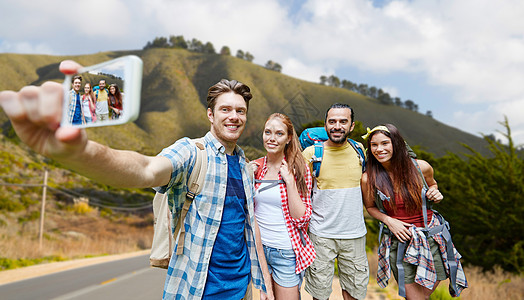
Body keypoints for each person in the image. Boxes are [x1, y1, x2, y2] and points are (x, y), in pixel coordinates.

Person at [0, 60, 272, 300]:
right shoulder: (191, 152)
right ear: (210, 115)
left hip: (241, 288)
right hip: (197, 290)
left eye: (240, 111)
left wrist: (262, 286)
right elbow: (146, 168)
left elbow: (247, 230)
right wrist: (80, 154)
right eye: (225, 109)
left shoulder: (244, 165)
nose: (234, 117)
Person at [361, 124, 468, 300]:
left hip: (433, 239)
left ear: (396, 143)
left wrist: (436, 193)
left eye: (385, 143)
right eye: (374, 145)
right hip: (401, 241)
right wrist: (390, 221)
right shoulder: (368, 178)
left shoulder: (421, 168)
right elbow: (371, 207)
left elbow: (433, 185)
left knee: (422, 296)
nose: (379, 149)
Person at [302, 103, 369, 300]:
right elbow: (301, 192)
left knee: (354, 294)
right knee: (319, 294)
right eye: (332, 121)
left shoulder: (360, 150)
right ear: (325, 125)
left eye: (343, 121)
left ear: (352, 126)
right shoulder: (311, 154)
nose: (337, 126)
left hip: (354, 234)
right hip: (320, 235)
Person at [252, 113, 315, 300]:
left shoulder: (299, 168)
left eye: (279, 134)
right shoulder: (256, 167)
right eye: (267, 132)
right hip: (259, 250)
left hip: (285, 251)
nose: (272, 138)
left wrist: (290, 182)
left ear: (288, 138)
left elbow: (302, 218)